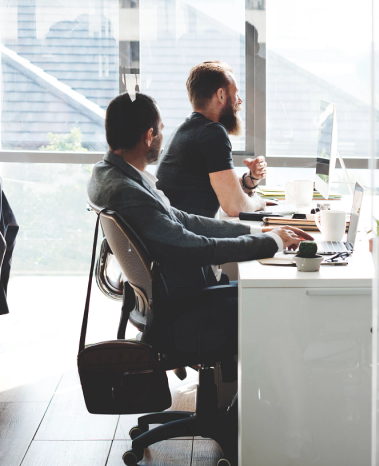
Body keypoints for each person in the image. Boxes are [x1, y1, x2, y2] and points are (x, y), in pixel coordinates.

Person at [88, 92, 310, 353]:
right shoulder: (128, 192)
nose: (162, 137)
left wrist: (258, 230)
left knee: (265, 290)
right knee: (285, 299)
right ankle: (268, 391)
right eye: (159, 131)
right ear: (148, 137)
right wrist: (270, 242)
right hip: (186, 311)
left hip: (167, 300)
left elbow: (182, 219)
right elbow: (196, 247)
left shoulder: (106, 173)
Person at [156, 61, 267, 218]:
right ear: (221, 95)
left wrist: (249, 180)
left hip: (177, 231)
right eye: (236, 93)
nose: (240, 101)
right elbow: (235, 207)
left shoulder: (187, 129)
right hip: (188, 237)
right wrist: (258, 202)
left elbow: (220, 184)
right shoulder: (212, 132)